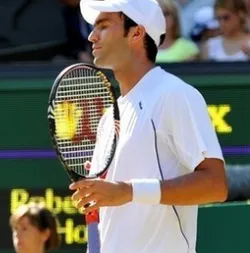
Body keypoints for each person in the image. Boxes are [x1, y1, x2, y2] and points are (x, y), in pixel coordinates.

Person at [70, 0, 228, 252]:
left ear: (136, 33)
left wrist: (128, 191)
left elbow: (215, 185)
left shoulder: (175, 94)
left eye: (103, 25)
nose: (92, 36)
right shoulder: (108, 118)